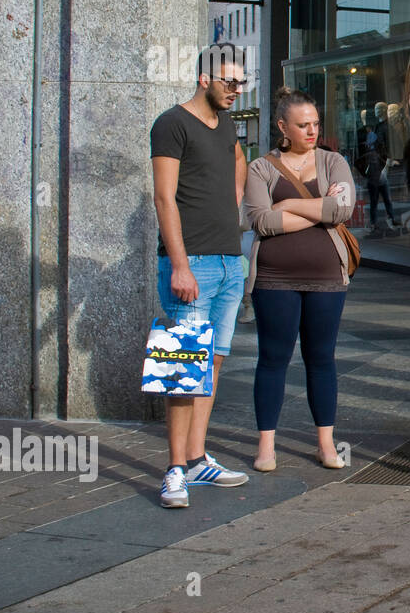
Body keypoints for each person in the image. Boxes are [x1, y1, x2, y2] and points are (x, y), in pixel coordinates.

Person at [149, 43, 251, 508]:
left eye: (241, 82)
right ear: (204, 79)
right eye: (230, 81)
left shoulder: (226, 124)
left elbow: (234, 161)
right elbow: (164, 198)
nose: (237, 89)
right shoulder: (171, 124)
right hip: (192, 265)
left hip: (230, 260)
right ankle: (173, 470)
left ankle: (196, 458)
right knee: (182, 365)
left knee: (213, 360)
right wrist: (181, 264)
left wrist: (232, 203)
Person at [243, 88, 356, 473]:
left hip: (327, 278)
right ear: (282, 127)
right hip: (274, 279)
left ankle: (326, 444)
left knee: (321, 358)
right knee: (273, 359)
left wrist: (289, 204)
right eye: (303, 125)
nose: (312, 131)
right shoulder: (261, 167)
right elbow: (261, 221)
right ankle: (266, 447)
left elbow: (344, 209)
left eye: (316, 124)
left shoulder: (332, 160)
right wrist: (322, 210)